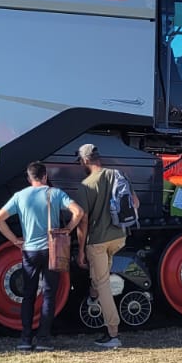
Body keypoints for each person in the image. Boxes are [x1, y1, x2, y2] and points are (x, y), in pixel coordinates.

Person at [0, 162, 86, 351]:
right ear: (45, 176)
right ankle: (43, 339)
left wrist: (14, 240)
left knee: (28, 295)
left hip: (29, 251)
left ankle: (25, 339)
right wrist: (67, 229)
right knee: (49, 295)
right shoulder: (55, 193)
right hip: (52, 250)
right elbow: (79, 212)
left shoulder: (19, 196)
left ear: (29, 178)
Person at [73, 144, 136, 349]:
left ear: (84, 161)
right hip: (119, 237)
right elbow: (134, 202)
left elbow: (82, 220)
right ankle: (93, 297)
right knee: (100, 276)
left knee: (103, 285)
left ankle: (113, 333)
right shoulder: (118, 175)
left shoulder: (86, 185)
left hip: (98, 240)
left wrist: (81, 250)